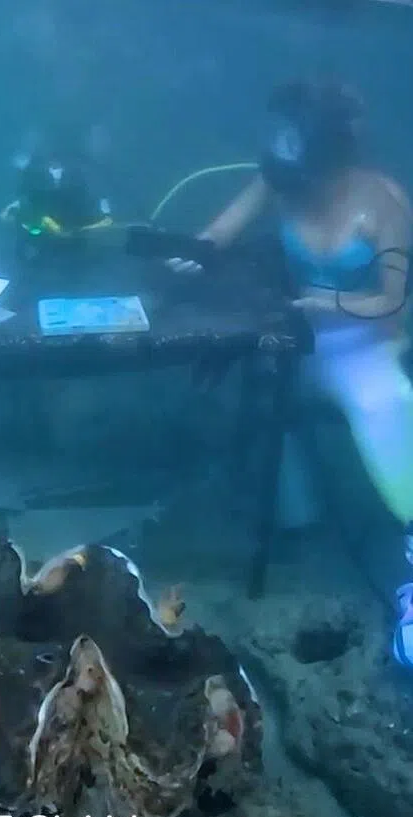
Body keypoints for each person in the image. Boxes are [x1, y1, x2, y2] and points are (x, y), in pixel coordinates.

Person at [169, 80, 413, 666]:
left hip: (365, 345)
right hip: (300, 340)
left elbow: (393, 301)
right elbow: (218, 235)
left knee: (384, 404)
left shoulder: (382, 202)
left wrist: (327, 302)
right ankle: (298, 518)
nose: (278, 148)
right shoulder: (277, 184)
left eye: (291, 136)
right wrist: (193, 256)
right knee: (262, 394)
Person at [0, 141, 114, 270]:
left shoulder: (78, 177)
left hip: (70, 226)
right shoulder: (36, 177)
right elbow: (29, 199)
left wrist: (105, 216)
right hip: (50, 229)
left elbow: (98, 196)